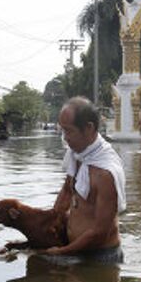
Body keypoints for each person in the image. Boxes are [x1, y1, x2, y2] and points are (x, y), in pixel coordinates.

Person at [48, 97, 126, 262]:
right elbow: (67, 191)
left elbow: (100, 233)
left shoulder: (106, 173)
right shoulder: (77, 154)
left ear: (89, 128)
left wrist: (60, 253)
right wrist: (48, 226)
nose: (65, 137)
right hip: (74, 251)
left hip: (101, 258)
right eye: (62, 130)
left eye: (69, 131)